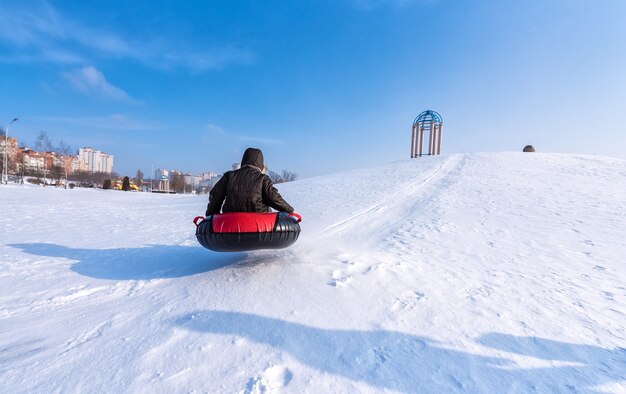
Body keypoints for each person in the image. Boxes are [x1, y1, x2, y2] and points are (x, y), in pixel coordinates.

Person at [205, 147, 294, 216]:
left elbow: (215, 196)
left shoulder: (229, 176)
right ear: (260, 164)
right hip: (258, 222)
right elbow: (273, 198)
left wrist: (211, 217)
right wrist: (289, 210)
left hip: (231, 221)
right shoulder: (262, 178)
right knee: (268, 210)